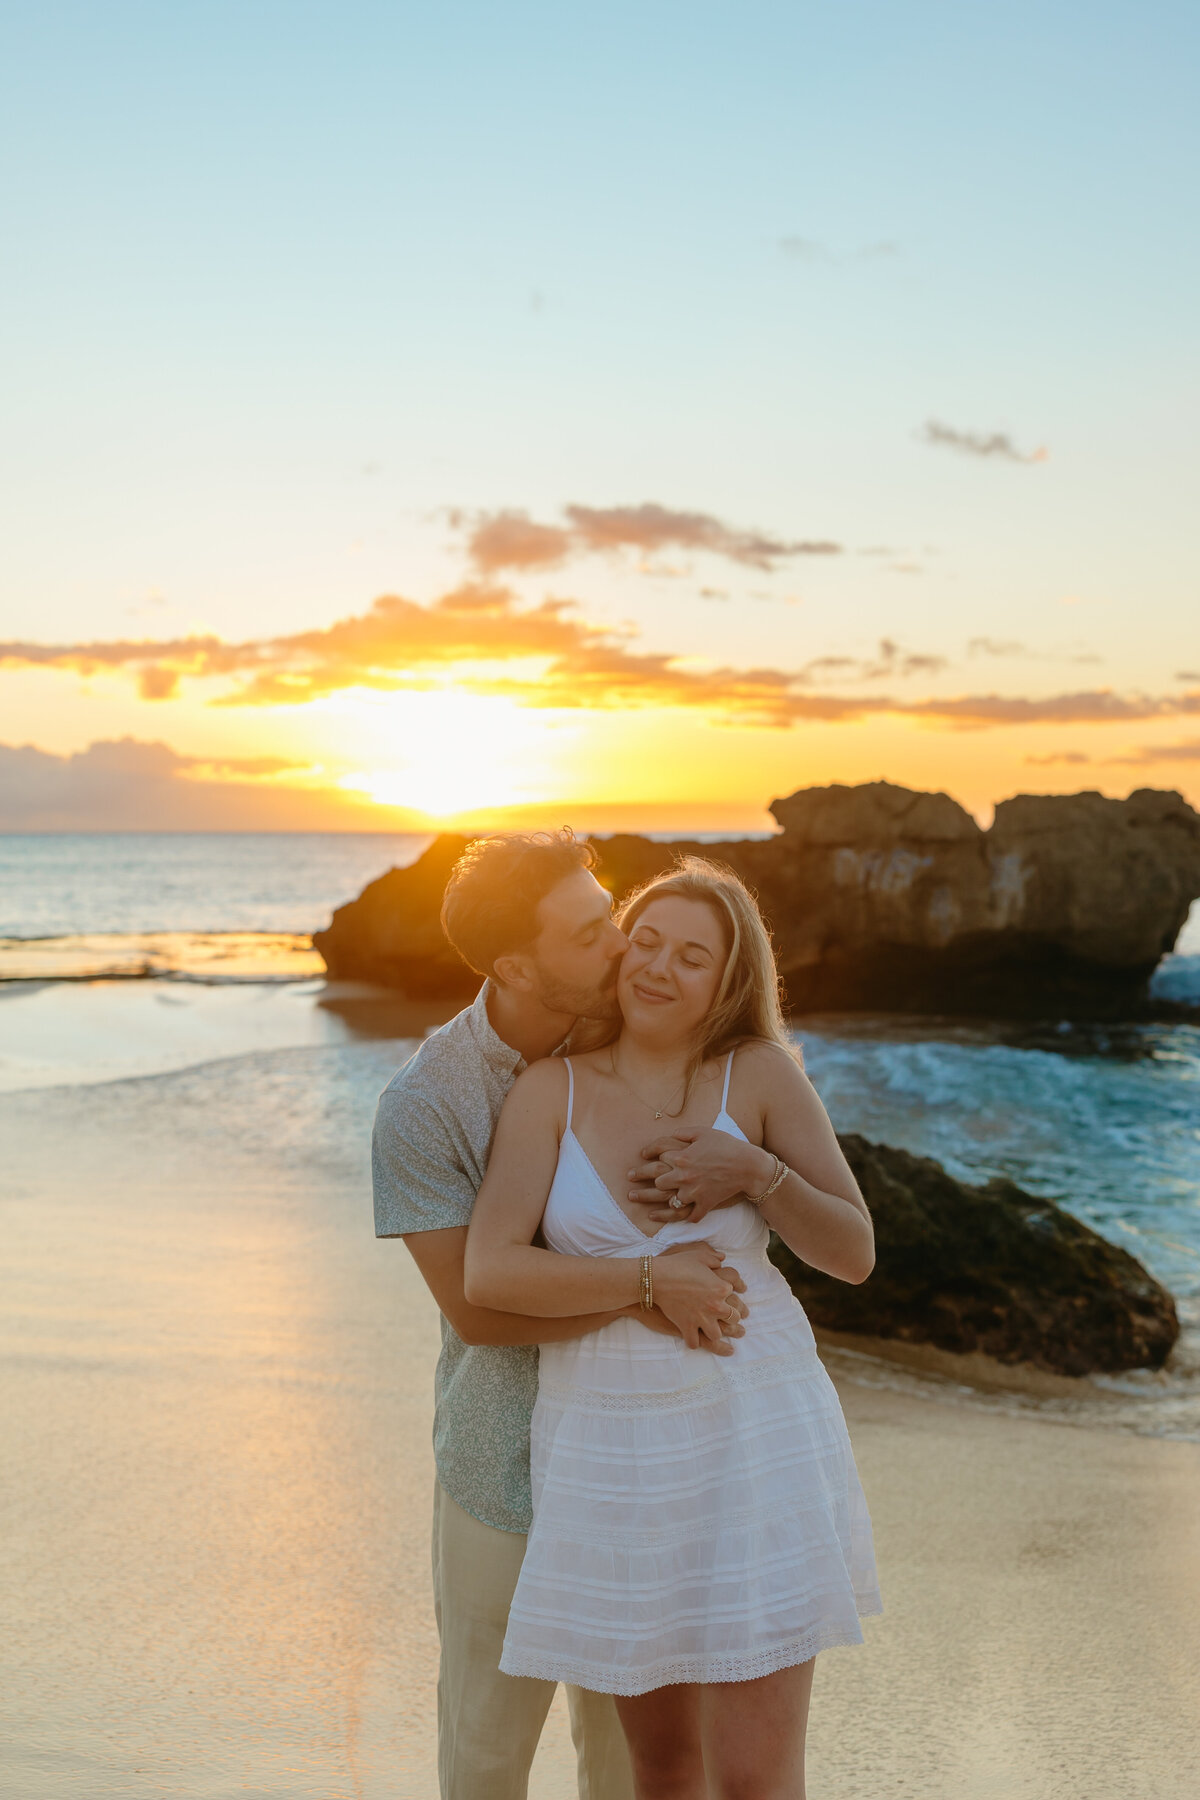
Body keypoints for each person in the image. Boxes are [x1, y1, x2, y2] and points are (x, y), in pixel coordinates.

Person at [464, 857, 882, 1800]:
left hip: (754, 1437)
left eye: (693, 956)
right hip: (612, 1447)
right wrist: (649, 1280)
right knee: (661, 1769)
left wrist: (755, 1175)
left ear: (729, 982)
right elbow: (491, 1269)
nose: (657, 967)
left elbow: (853, 1252)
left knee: (752, 1776)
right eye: (644, 941)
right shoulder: (549, 1091)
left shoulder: (760, 1076)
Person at [372, 831, 750, 1800]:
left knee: (635, 1770)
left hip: (639, 1469)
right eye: (592, 935)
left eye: (609, 915)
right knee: (486, 1764)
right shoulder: (423, 1109)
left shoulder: (644, 1044)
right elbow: (478, 1309)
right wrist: (648, 1286)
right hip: (503, 1477)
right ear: (515, 966)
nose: (625, 950)